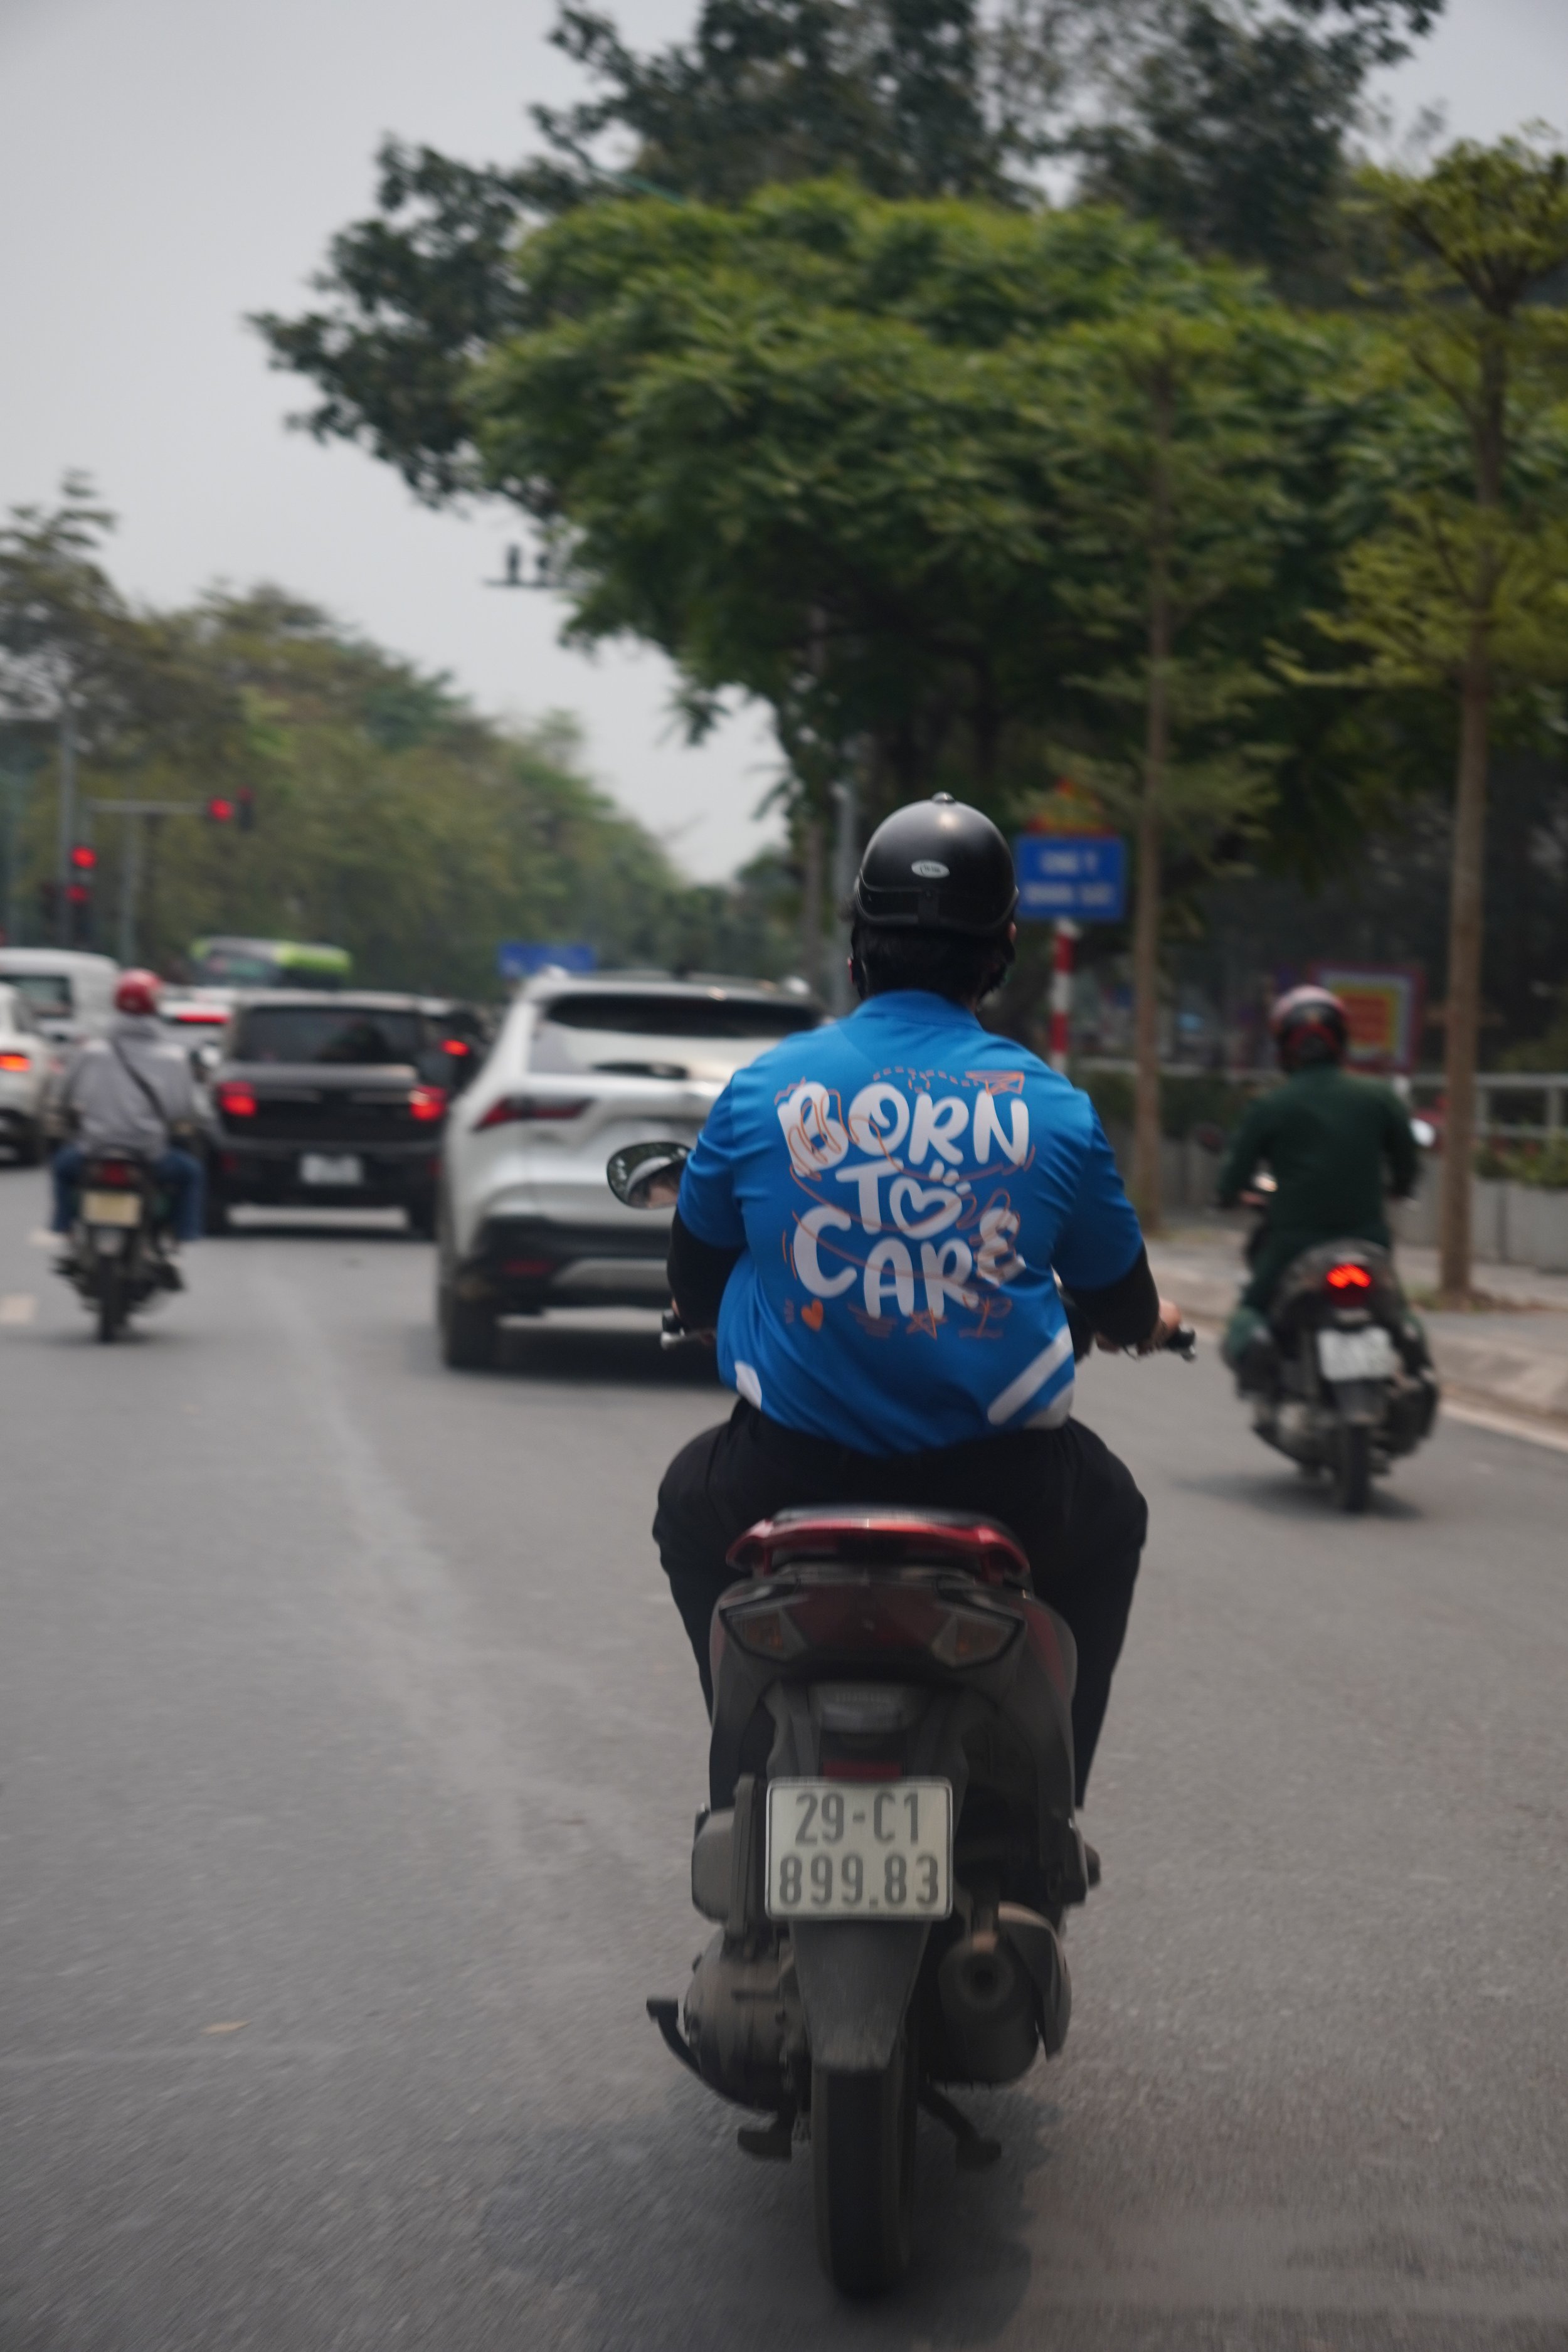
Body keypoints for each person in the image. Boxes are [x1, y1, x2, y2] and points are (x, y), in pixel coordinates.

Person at [653, 795, 1180, 1811]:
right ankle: (1044, 1802)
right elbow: (1121, 1296)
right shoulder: (1055, 1112)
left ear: (858, 953)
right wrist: (1127, 1324)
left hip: (784, 1473)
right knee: (1111, 1518)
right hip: (1005, 1481)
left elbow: (696, 1275)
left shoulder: (766, 1092)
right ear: (1003, 956)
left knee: (687, 1509)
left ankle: (751, 1767)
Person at [1216, 985, 1420, 1382]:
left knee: (1252, 1308)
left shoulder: (1271, 1105)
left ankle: (1258, 1356)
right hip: (1368, 1237)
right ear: (1342, 1040)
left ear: (1283, 1048)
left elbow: (1233, 1175)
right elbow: (1407, 1162)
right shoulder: (1379, 1096)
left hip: (1295, 1243)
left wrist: (1226, 1197)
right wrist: (1400, 1187)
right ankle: (1412, 1345)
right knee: (1398, 1308)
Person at [51, 968, 204, 1278]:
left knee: (61, 1167)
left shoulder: (90, 1053)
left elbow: (63, 1098)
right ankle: (177, 1237)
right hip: (149, 1157)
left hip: (93, 1152)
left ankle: (65, 1228)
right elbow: (183, 1110)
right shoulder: (173, 1058)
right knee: (191, 1173)